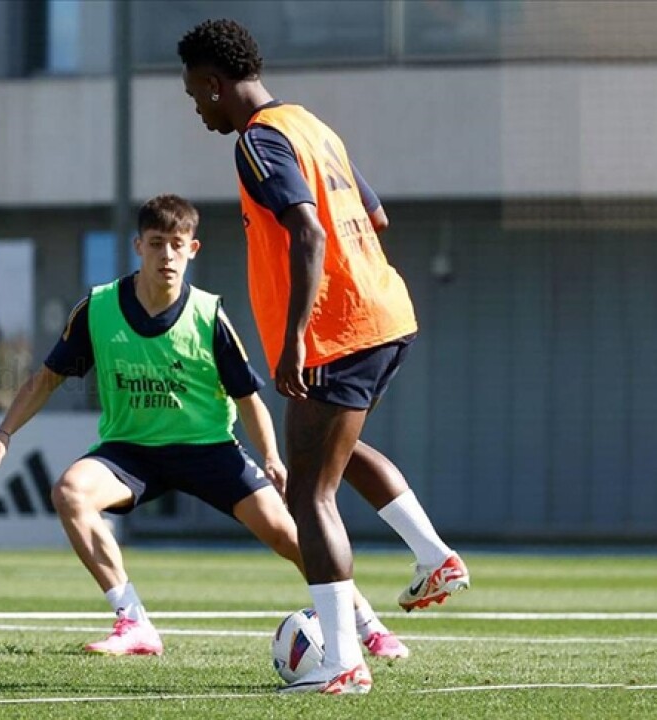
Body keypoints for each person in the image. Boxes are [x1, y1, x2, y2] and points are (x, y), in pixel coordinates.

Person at [0, 194, 407, 659]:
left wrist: (271, 458)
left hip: (209, 450)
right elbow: (47, 378)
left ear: (192, 250)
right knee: (70, 493)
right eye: (156, 243)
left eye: (177, 244)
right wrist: (3, 433)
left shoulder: (208, 314)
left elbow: (248, 400)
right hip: (130, 452)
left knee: (289, 533)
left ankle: (366, 623)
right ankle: (133, 621)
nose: (167, 255)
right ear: (138, 246)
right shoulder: (98, 309)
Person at [178, 19, 471, 694]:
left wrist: (294, 339)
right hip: (385, 314)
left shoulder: (258, 140)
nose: (196, 108)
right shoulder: (310, 125)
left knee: (309, 492)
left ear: (215, 84)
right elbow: (376, 216)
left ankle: (341, 662)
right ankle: (433, 555)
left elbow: (308, 232)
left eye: (194, 94)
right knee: (334, 452)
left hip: (336, 331)